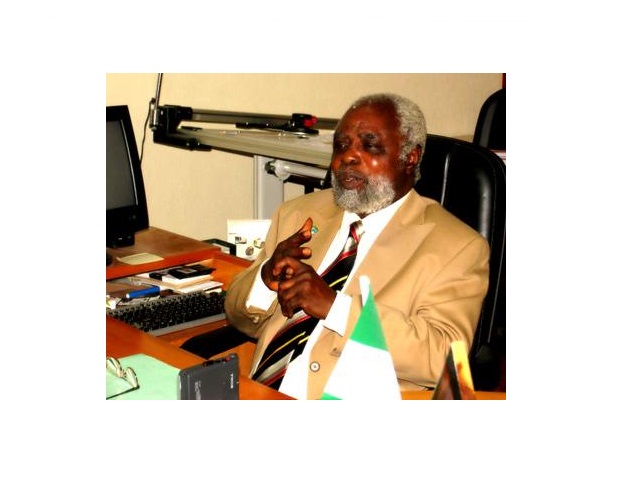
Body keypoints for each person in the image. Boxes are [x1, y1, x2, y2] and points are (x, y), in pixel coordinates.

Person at [223, 93, 489, 399]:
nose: (347, 157)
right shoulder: (298, 213)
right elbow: (239, 317)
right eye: (341, 145)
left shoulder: (457, 247)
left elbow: (442, 357)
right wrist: (265, 280)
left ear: (410, 157)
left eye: (370, 145)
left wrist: (335, 307)